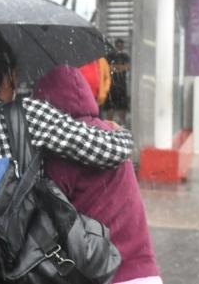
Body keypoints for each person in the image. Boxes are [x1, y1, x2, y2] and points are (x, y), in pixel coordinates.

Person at [0, 28, 135, 284]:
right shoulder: (28, 115)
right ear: (11, 77)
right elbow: (106, 150)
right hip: (19, 268)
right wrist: (119, 133)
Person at [35, 65, 162, 284]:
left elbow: (45, 217)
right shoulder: (111, 136)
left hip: (104, 275)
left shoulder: (62, 151)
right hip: (144, 272)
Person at [104, 39, 131, 124]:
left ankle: (121, 125)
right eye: (118, 45)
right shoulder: (110, 56)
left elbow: (127, 67)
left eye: (121, 45)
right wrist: (119, 68)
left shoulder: (125, 56)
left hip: (121, 85)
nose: (119, 47)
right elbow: (108, 68)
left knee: (121, 108)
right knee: (110, 108)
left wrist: (115, 68)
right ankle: (109, 126)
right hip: (111, 85)